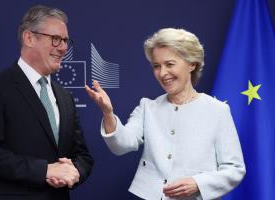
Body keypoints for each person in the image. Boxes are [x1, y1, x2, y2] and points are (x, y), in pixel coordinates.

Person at [85, 28, 245, 200]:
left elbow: (234, 169)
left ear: (192, 64)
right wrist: (108, 113)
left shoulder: (217, 110)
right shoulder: (148, 107)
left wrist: (197, 183)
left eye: (169, 64)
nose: (162, 73)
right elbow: (122, 145)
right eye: (156, 66)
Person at [0, 5, 93, 200]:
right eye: (56, 39)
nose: (63, 47)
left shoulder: (65, 97)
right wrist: (44, 170)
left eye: (65, 41)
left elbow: (82, 156)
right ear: (29, 38)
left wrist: (73, 172)